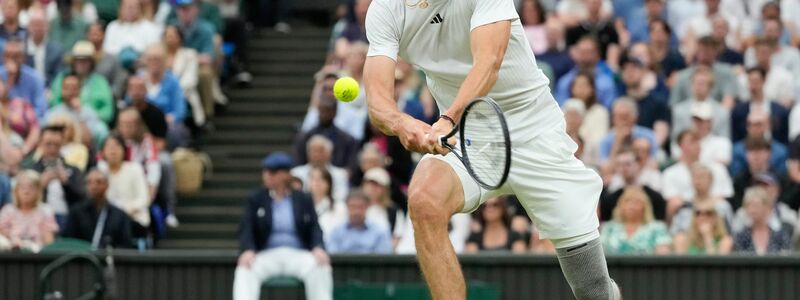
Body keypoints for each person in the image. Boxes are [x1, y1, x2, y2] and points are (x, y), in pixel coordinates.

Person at [364, 0, 620, 298]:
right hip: (467, 136)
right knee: (423, 201)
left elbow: (489, 62)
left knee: (594, 290)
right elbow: (378, 102)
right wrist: (401, 124)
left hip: (534, 130)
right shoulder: (385, 9)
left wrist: (448, 118)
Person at [234, 152, 332, 300]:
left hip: (298, 254)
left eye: (272, 172)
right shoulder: (256, 198)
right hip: (266, 255)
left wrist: (318, 247)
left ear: (285, 175)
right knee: (245, 268)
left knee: (320, 265)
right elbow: (246, 227)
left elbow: (314, 227)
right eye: (265, 171)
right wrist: (248, 249)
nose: (267, 175)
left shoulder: (303, 198)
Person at [22, 126, 85, 226]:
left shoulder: (74, 170)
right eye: (48, 144)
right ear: (40, 144)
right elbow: (21, 199)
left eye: (56, 145)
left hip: (68, 219)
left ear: (62, 145)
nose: (52, 148)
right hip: (37, 220)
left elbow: (82, 200)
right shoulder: (31, 170)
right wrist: (39, 185)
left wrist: (66, 183)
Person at [662, 130, 733, 217]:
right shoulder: (670, 173)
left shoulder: (717, 169)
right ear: (680, 146)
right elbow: (673, 201)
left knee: (724, 206)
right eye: (692, 141)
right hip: (685, 214)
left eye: (698, 141)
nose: (697, 145)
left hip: (713, 214)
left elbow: (722, 198)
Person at [62, 168, 133, 249]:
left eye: (98, 182)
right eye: (89, 183)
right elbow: (68, 242)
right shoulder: (76, 212)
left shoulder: (119, 215)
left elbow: (126, 245)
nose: (93, 186)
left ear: (107, 185)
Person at [97, 134, 150, 238]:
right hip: (107, 221)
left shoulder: (134, 169)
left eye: (117, 145)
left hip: (134, 219)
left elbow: (144, 198)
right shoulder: (100, 172)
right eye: (109, 146)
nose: (113, 150)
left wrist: (125, 212)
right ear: (102, 152)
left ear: (124, 150)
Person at [49, 41, 114, 124]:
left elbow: (108, 112)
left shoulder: (101, 82)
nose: (82, 63)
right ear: (73, 62)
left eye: (85, 60)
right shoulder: (61, 78)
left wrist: (86, 113)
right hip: (63, 121)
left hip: (92, 123)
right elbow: (53, 103)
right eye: (78, 60)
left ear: (91, 62)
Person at [139, 44, 189, 149]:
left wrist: (169, 118)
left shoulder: (173, 81)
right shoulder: (139, 80)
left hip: (166, 125)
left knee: (176, 131)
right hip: (142, 124)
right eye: (151, 59)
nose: (154, 62)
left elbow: (180, 111)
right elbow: (130, 102)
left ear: (165, 61)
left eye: (157, 59)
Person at [669, 36, 738, 109]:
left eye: (709, 51)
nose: (705, 55)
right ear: (697, 52)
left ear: (716, 52)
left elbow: (728, 102)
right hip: (687, 116)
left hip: (716, 116)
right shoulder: (682, 76)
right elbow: (674, 105)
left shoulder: (726, 73)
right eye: (702, 51)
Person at [600, 186, 672, 255]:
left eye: (637, 202)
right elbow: (600, 254)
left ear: (645, 207)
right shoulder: (609, 228)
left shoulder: (657, 228)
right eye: (627, 201)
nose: (632, 206)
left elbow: (663, 254)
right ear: (620, 206)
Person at [293, 94, 359, 168]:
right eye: (322, 111)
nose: (324, 114)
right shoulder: (305, 137)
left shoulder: (347, 140)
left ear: (335, 112)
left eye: (327, 111)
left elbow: (350, 166)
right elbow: (299, 163)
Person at [0, 170, 59, 252]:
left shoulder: (46, 211)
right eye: (22, 187)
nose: (26, 191)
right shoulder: (7, 210)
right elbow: (2, 237)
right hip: (11, 256)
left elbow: (49, 242)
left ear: (38, 191)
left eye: (31, 187)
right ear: (16, 190)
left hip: (37, 257)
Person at [669, 163, 735, 235]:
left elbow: (729, 234)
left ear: (711, 180)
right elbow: (675, 233)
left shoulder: (722, 206)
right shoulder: (684, 207)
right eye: (695, 177)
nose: (697, 181)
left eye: (701, 177)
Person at [46, 73, 109, 148]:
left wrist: (79, 113)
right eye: (67, 88)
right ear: (62, 90)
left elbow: (87, 141)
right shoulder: (53, 113)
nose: (70, 91)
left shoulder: (89, 112)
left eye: (74, 88)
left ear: (80, 90)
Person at [601, 150, 665, 221]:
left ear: (638, 165)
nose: (623, 168)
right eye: (619, 164)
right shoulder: (610, 198)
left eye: (627, 164)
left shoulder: (654, 196)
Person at [731, 67, 790, 145]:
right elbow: (736, 138)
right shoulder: (738, 111)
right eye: (750, 81)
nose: (753, 86)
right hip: (746, 150)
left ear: (764, 81)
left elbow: (784, 138)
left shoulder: (779, 111)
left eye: (756, 81)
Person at [555, 36, 618, 108]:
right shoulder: (565, 81)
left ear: (597, 54)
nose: (585, 57)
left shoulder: (607, 81)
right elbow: (560, 107)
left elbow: (610, 108)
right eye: (582, 52)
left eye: (589, 52)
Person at [671, 67, 730, 141]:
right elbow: (675, 140)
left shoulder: (722, 112)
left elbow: (725, 141)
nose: (698, 87)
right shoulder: (679, 110)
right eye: (695, 83)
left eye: (702, 83)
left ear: (711, 87)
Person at [327, 190, 393, 254]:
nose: (356, 212)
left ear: (367, 207)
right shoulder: (336, 232)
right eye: (353, 207)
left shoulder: (380, 232)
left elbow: (383, 259)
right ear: (346, 207)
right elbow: (332, 257)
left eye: (360, 207)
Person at [163, 24, 204, 127]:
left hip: (184, 94)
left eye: (173, 36)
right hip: (162, 96)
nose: (170, 39)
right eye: (167, 36)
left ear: (180, 38)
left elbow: (191, 80)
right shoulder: (158, 56)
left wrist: (172, 91)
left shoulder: (189, 55)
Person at [733, 186, 793, 255]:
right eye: (748, 205)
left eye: (756, 205)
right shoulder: (741, 236)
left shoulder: (780, 235)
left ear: (767, 207)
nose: (752, 210)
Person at [290, 135, 349, 203]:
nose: (317, 154)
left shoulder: (340, 174)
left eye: (321, 151)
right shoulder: (295, 173)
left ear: (329, 153)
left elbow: (341, 198)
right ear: (308, 153)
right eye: (314, 151)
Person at [670, 101, 732, 166]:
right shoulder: (682, 142)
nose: (698, 124)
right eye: (695, 120)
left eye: (701, 120)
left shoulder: (722, 142)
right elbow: (678, 161)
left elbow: (720, 165)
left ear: (710, 123)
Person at [598, 98, 657, 163]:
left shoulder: (649, 136)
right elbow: (605, 171)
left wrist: (642, 152)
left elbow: (654, 165)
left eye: (625, 117)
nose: (622, 122)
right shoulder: (606, 140)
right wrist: (617, 142)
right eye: (618, 117)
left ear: (635, 117)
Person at [0, 39, 47, 120]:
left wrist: (23, 118)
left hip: (28, 124)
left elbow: (41, 110)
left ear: (23, 58)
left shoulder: (35, 78)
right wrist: (9, 80)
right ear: (3, 58)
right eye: (8, 56)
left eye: (16, 56)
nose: (11, 60)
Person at [85, 22, 128, 100]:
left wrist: (108, 96)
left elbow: (119, 81)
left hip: (107, 98)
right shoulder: (81, 59)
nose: (94, 36)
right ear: (87, 35)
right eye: (92, 33)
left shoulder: (112, 59)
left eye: (97, 33)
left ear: (104, 35)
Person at [0, 79, 39, 156]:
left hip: (22, 148)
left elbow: (35, 129)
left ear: (5, 86)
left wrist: (25, 150)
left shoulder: (19, 103)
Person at [25, 9, 63, 87]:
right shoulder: (22, 49)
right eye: (34, 25)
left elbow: (58, 76)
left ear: (48, 27)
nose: (38, 28)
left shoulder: (57, 50)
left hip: (49, 89)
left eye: (41, 25)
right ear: (28, 27)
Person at [308, 166, 346, 242]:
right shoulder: (302, 207)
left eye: (321, 179)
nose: (317, 182)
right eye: (313, 179)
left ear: (329, 183)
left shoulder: (339, 207)